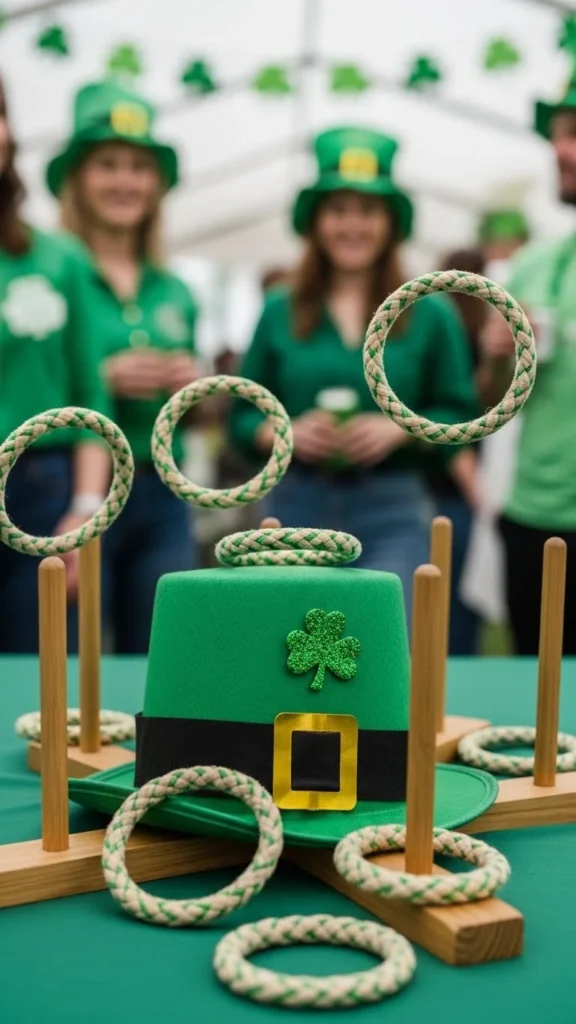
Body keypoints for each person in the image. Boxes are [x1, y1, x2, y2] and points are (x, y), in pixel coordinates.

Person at [229, 127, 479, 622]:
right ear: (316, 221)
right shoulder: (278, 310)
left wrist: (403, 428)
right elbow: (239, 417)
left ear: (390, 222)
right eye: (338, 210)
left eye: (368, 211)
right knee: (288, 652)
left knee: (384, 650)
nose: (352, 226)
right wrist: (283, 431)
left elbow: (461, 421)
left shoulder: (430, 313)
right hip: (295, 507)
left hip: (395, 506)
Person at [46, 80, 200, 653]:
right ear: (77, 178)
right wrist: (101, 379)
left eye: (139, 167)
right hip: (72, 483)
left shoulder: (177, 290)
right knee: (68, 649)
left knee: (162, 652)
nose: (125, 181)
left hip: (163, 486)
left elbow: (199, 418)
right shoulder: (54, 271)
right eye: (107, 164)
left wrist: (193, 387)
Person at [0, 76, 111, 653]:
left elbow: (90, 393)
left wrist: (84, 510)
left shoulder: (59, 258)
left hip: (42, 488)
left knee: (40, 675)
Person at [480, 77, 576, 654]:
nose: (562, 151)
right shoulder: (538, 263)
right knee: (538, 702)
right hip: (535, 518)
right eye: (562, 134)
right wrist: (497, 358)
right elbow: (492, 400)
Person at [424, 247, 487, 654]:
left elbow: (462, 407)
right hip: (449, 486)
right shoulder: (447, 330)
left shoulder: (452, 329)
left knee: (449, 595)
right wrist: (478, 491)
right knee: (454, 598)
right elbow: (460, 419)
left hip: (445, 485)